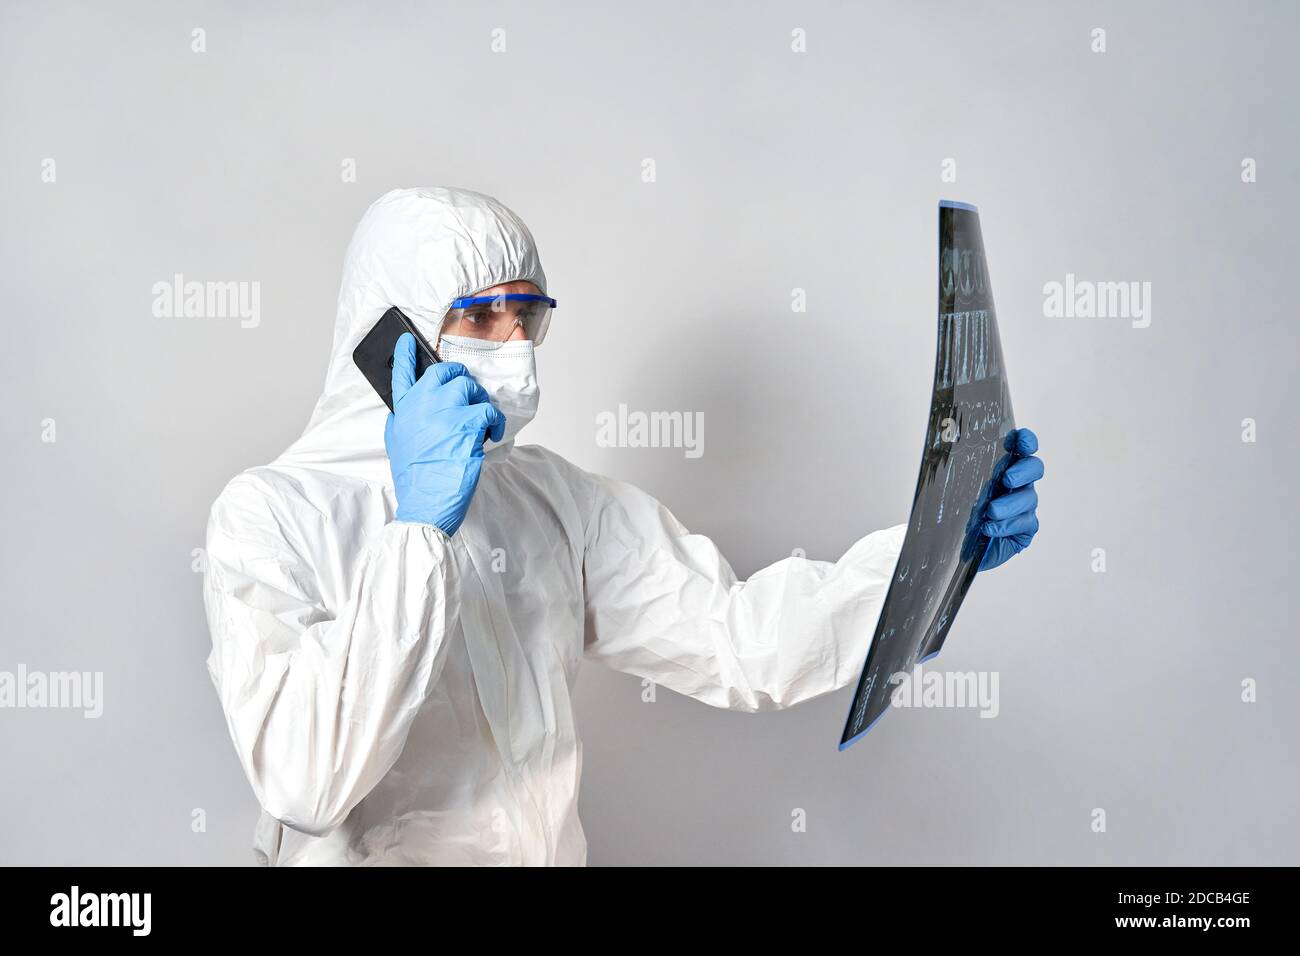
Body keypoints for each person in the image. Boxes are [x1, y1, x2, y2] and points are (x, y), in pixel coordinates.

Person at [202, 186, 1043, 866]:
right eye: (480, 316)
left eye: (528, 316)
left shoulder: (551, 500)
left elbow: (741, 642)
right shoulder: (272, 514)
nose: (515, 346)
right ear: (390, 333)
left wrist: (934, 548)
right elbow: (305, 779)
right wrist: (418, 530)